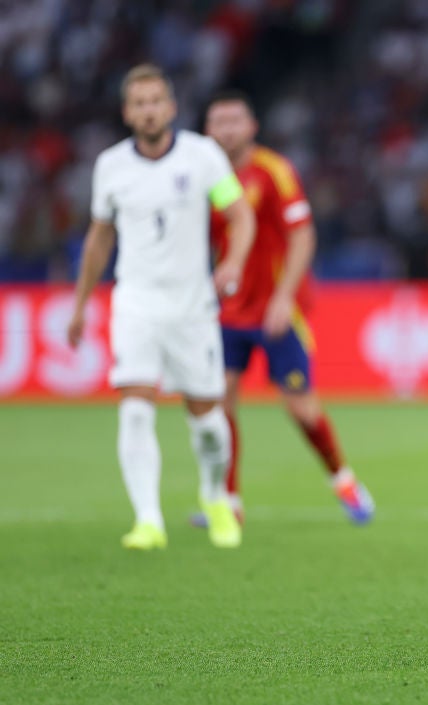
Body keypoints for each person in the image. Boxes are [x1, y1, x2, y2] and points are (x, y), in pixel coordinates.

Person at [66, 64, 256, 550]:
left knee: (208, 421)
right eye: (139, 103)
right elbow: (99, 240)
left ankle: (214, 496)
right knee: (134, 409)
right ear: (127, 113)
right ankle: (148, 520)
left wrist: (233, 261)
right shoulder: (111, 166)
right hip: (135, 302)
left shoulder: (202, 156)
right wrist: (81, 304)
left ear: (171, 107)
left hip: (192, 306)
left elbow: (240, 215)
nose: (148, 111)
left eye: (156, 101)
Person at [198, 90, 374, 526]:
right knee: (219, 404)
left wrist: (283, 297)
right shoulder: (202, 176)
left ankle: (343, 480)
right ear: (207, 129)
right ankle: (227, 502)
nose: (227, 130)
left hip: (275, 310)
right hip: (226, 312)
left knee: (300, 408)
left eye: (235, 120)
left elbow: (302, 235)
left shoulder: (273, 171)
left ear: (252, 126)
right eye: (219, 122)